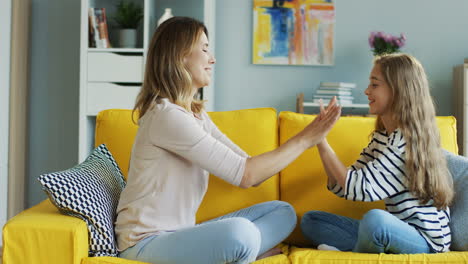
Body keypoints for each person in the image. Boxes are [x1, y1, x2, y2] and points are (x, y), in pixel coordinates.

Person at [115, 16, 341, 264]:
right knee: (240, 233)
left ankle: (239, 252)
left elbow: (246, 166)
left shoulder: (195, 115)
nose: (212, 58)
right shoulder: (166, 116)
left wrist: (310, 136)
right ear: (179, 56)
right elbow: (246, 175)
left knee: (282, 212)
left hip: (182, 236)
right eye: (203, 49)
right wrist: (307, 138)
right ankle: (241, 250)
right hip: (146, 243)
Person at [300, 53, 454, 254]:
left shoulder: (404, 141)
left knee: (375, 221)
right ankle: (365, 248)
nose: (366, 91)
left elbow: (360, 187)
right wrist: (319, 140)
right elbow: (345, 184)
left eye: (374, 85)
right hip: (394, 231)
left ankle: (352, 254)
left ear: (398, 90)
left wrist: (321, 140)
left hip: (425, 241)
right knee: (311, 221)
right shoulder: (382, 137)